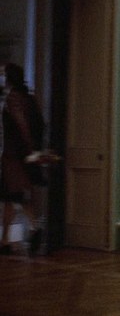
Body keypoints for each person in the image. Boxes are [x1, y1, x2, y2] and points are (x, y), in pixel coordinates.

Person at [1, 63, 45, 256]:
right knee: (12, 197)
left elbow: (22, 125)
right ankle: (6, 240)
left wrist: (29, 149)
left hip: (14, 155)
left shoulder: (13, 97)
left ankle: (34, 228)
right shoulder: (27, 96)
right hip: (19, 154)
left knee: (13, 196)